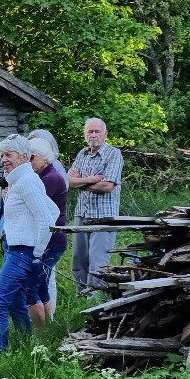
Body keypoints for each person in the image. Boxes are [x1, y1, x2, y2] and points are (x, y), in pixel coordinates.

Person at [0, 135, 59, 352]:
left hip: (21, 253)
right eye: (1, 155)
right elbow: (53, 210)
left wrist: (37, 253)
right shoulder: (21, 180)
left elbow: (48, 220)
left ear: (24, 156)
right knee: (15, 304)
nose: (3, 159)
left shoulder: (27, 181)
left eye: (8, 154)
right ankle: (26, 348)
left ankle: (0, 354)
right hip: (17, 251)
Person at [68, 118, 123, 295]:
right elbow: (69, 181)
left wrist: (80, 181)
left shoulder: (113, 154)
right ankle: (81, 296)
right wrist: (92, 179)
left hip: (103, 216)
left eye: (97, 131)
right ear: (85, 134)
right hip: (81, 213)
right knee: (78, 259)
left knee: (98, 261)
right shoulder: (82, 154)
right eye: (90, 131)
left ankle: (95, 299)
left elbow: (107, 186)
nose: (93, 135)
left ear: (105, 134)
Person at [27, 137, 68, 323]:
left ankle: (46, 321)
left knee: (42, 280)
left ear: (43, 157)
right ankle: (45, 321)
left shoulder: (50, 178)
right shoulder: (45, 175)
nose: (29, 161)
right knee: (43, 280)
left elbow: (35, 208)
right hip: (50, 238)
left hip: (52, 240)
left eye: (32, 157)